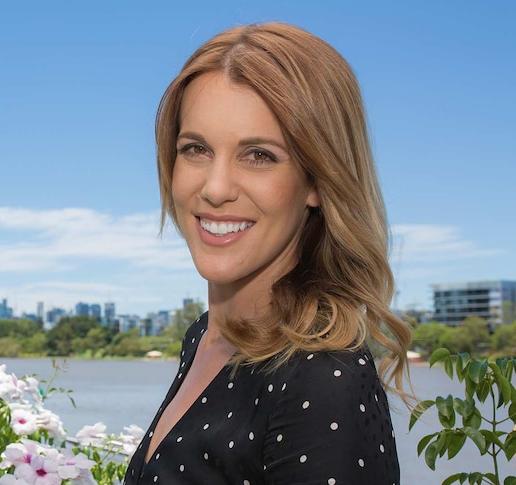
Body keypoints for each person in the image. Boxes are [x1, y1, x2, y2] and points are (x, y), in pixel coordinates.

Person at [123, 22, 412, 485]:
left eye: (258, 155)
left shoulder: (322, 380)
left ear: (318, 179)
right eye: (195, 149)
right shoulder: (205, 338)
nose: (215, 189)